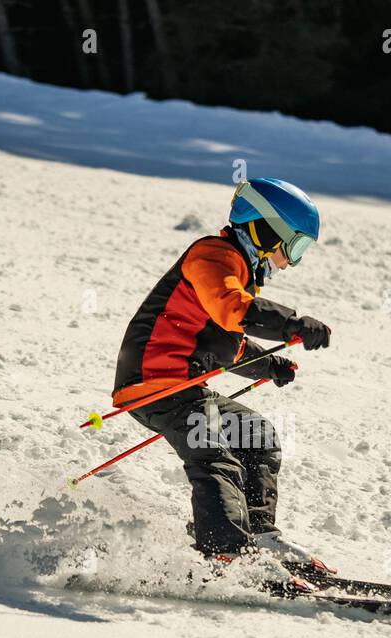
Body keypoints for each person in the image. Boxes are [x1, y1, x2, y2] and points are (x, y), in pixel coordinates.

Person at [111, 178, 331, 562]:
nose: (292, 262)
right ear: (267, 229)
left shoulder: (238, 273)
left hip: (184, 385)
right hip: (156, 381)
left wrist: (269, 365)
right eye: (294, 247)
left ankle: (258, 534)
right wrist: (292, 324)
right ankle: (223, 552)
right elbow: (234, 309)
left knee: (256, 436)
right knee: (214, 455)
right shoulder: (213, 256)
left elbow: (223, 343)